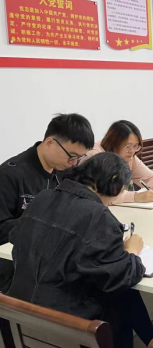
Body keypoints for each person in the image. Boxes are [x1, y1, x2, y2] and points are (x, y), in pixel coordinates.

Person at [7, 153, 153, 348]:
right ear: (114, 183)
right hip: (68, 330)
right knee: (123, 295)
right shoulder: (98, 216)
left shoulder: (43, 197)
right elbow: (124, 277)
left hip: (17, 321)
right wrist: (131, 251)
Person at [0, 113, 94, 292]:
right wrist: (42, 221)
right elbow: (1, 230)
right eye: (71, 156)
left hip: (53, 254)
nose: (73, 163)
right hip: (16, 264)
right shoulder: (10, 175)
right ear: (50, 142)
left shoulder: (64, 171)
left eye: (79, 158)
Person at [84, 120, 153, 204]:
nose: (132, 151)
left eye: (136, 146)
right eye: (128, 146)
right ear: (114, 143)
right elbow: (99, 194)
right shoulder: (95, 156)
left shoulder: (128, 156)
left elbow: (149, 176)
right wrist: (135, 197)